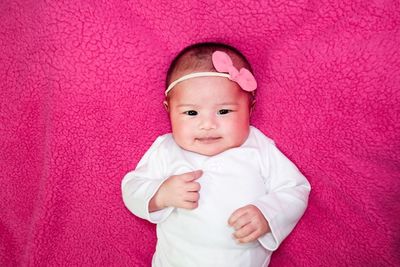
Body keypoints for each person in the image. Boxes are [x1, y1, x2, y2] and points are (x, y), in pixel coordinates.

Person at [121, 42, 311, 267]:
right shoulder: (167, 149)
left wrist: (267, 214)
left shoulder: (259, 147)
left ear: (250, 108)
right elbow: (131, 186)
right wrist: (160, 195)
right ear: (169, 110)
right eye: (191, 112)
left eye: (224, 111)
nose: (208, 124)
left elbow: (296, 189)